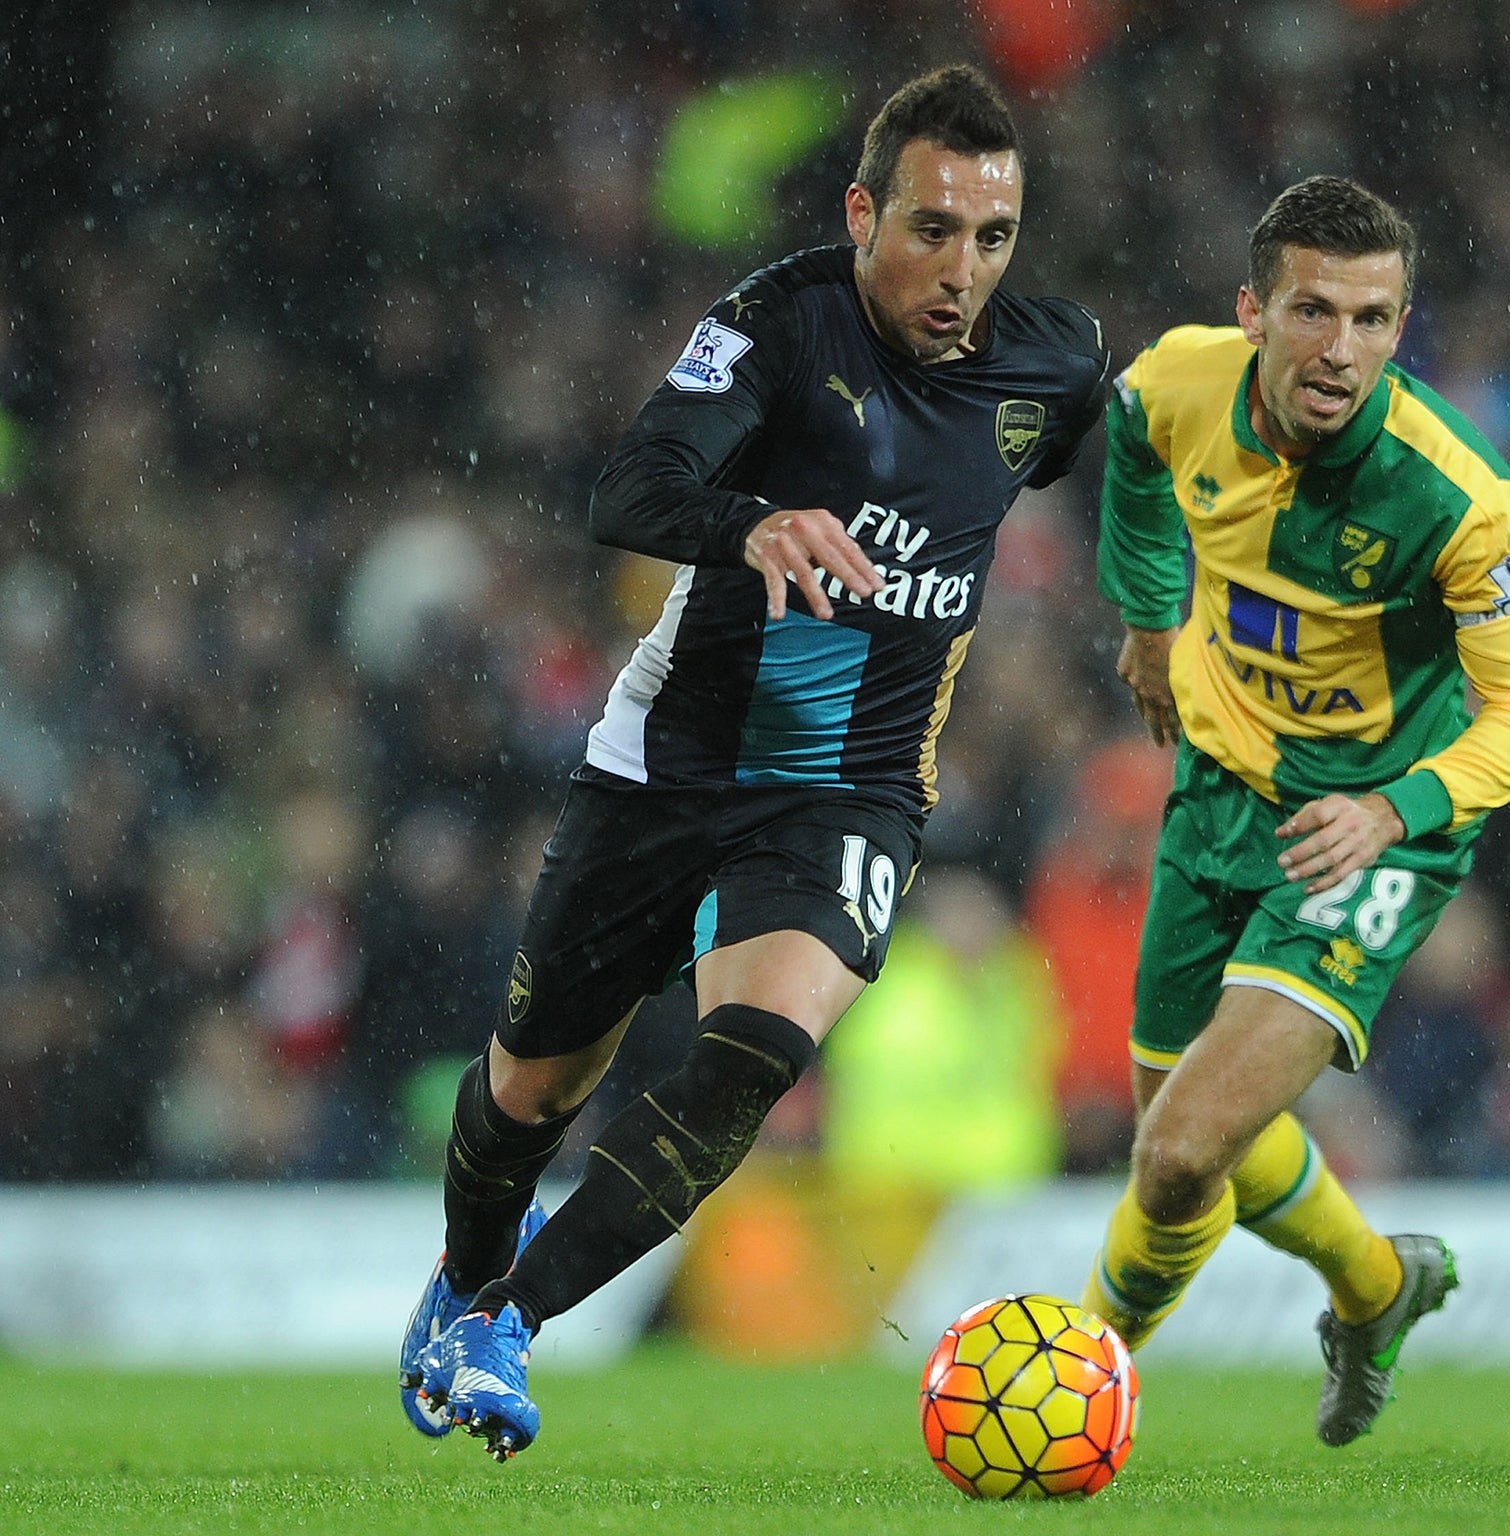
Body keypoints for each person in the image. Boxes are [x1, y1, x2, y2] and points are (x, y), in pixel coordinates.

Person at [398, 64, 1109, 1460]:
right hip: (667, 763)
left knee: (753, 1056)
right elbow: (631, 488)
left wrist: (1144, 627)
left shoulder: (1055, 363)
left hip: (852, 790)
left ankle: (510, 1322)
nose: (960, 268)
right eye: (929, 229)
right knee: (526, 1095)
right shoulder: (779, 323)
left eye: (991, 236)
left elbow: (1111, 477)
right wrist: (753, 525)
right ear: (862, 212)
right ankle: (466, 1273)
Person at [1080, 176, 1510, 1444]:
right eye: (1312, 311)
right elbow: (1130, 444)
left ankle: (1074, 1382)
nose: (1338, 348)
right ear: (1252, 312)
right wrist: (1147, 622)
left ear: (1400, 327)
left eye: (1370, 318)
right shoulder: (1181, 380)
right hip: (1217, 793)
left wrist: (1396, 808)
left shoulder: (1460, 498)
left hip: (1364, 834)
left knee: (1183, 1149)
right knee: (1177, 1135)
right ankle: (1375, 1283)